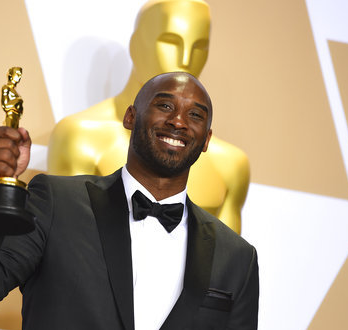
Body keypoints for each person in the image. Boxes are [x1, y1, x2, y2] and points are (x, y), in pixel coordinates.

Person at [0, 72, 259, 330]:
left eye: (196, 115)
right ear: (130, 116)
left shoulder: (237, 257)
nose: (178, 121)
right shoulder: (57, 202)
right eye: (164, 105)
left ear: (206, 139)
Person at [47, 0, 250, 234]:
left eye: (199, 46)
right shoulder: (79, 137)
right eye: (170, 42)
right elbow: (68, 248)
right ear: (136, 45)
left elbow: (225, 264)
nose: (185, 59)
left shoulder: (231, 165)